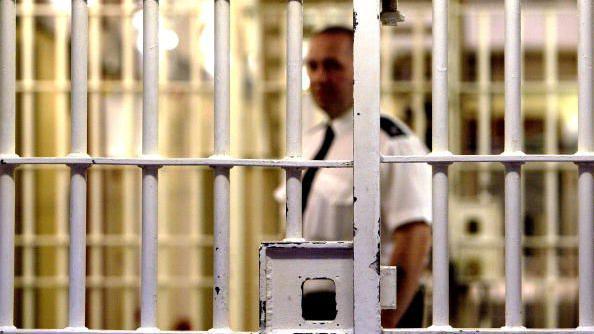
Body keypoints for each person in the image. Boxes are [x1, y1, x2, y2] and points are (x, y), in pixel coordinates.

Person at [275, 26, 432, 328]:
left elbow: (414, 235)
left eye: (333, 66)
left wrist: (381, 320)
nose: (320, 77)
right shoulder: (308, 143)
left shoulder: (390, 142)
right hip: (306, 303)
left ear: (362, 71)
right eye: (313, 66)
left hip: (364, 306)